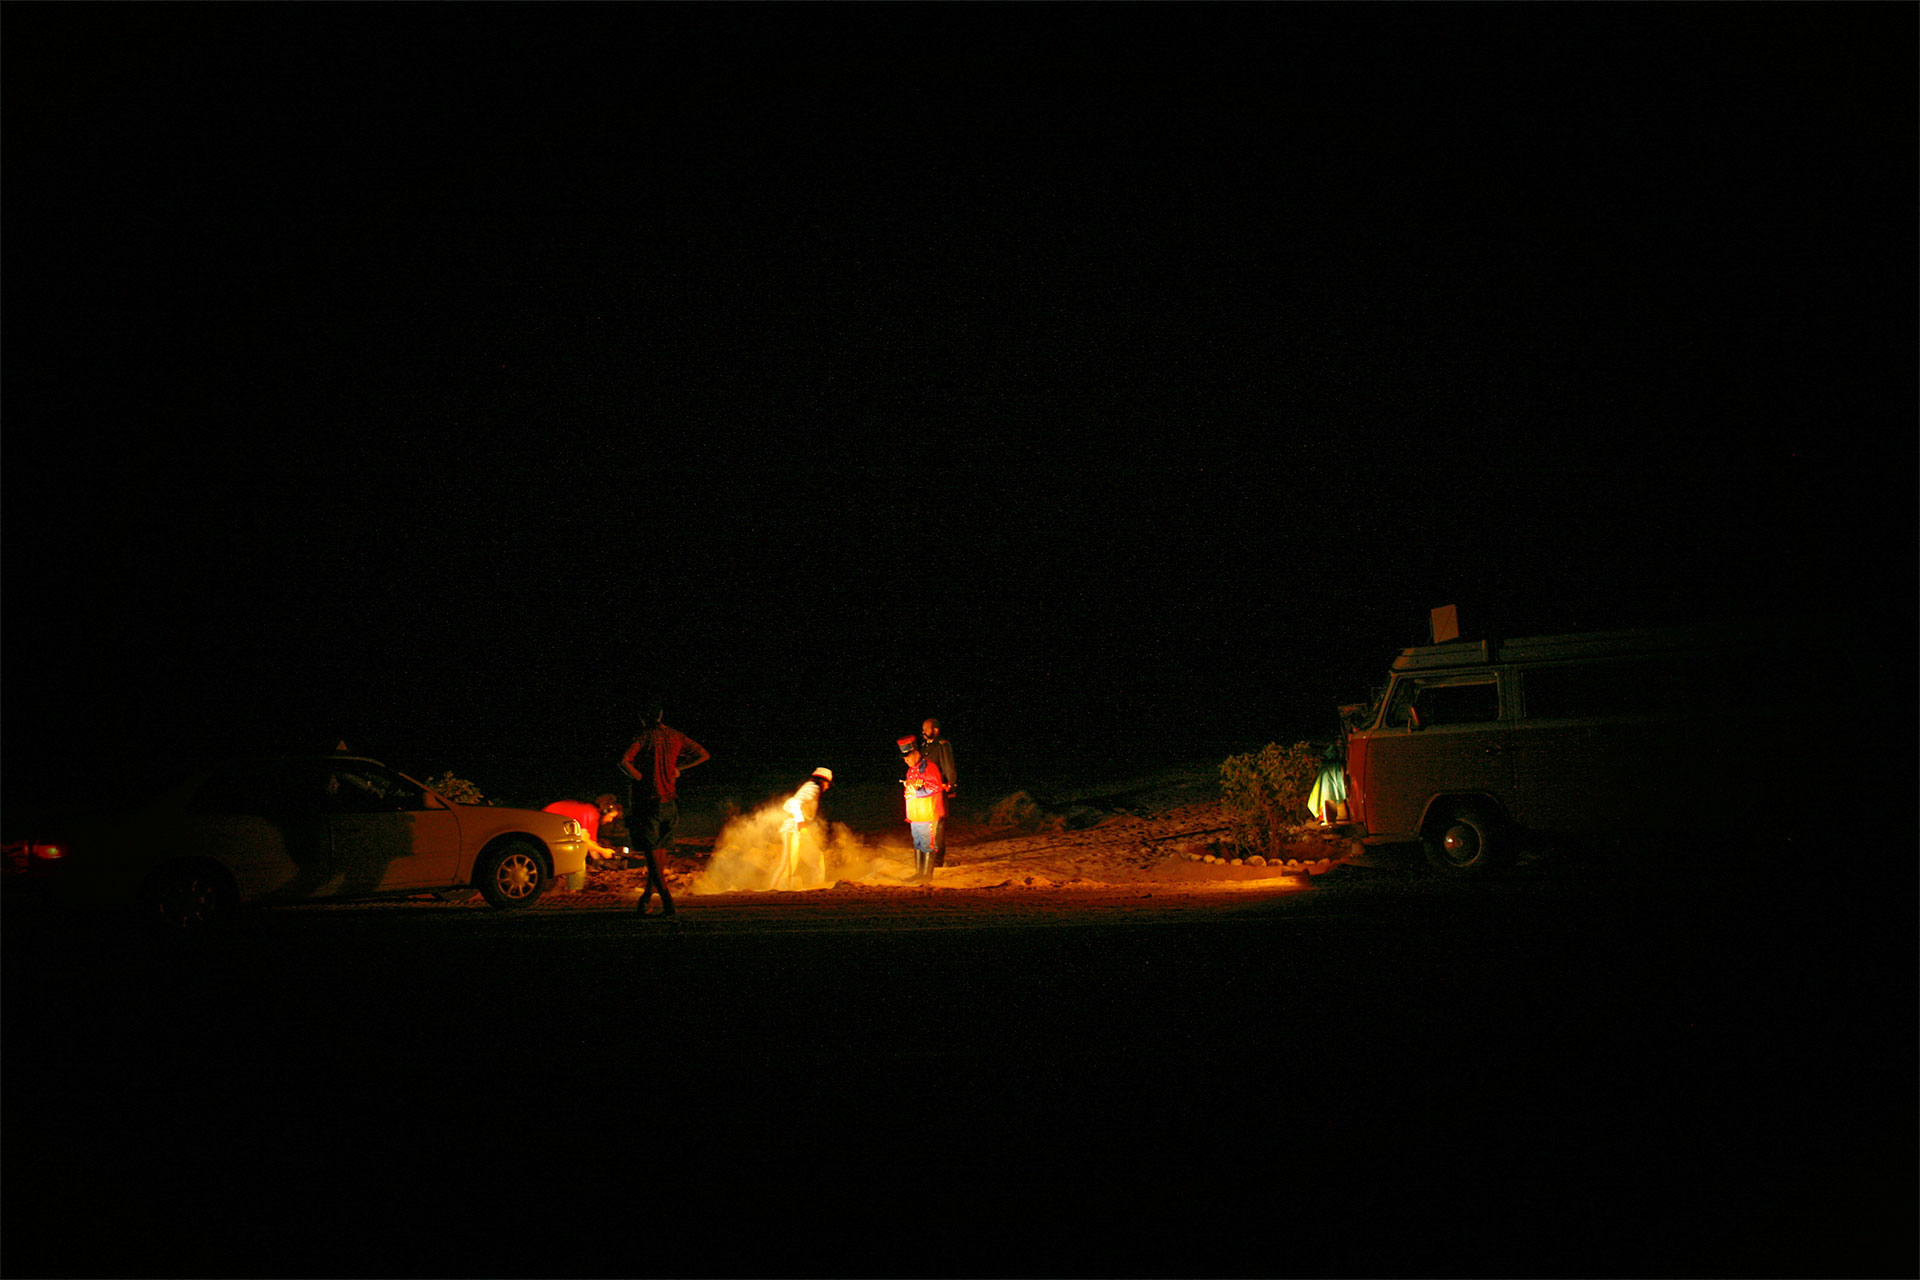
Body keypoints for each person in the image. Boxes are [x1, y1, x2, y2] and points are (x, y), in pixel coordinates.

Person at [619, 703, 710, 917]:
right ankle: (645, 902)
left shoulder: (643, 737)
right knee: (658, 857)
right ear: (661, 715)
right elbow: (703, 754)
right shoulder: (675, 736)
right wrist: (678, 769)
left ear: (643, 717)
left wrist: (640, 778)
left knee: (652, 856)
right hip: (670, 804)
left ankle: (668, 904)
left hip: (649, 802)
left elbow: (623, 762)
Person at [898, 736, 946, 884]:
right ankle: (919, 873)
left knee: (928, 844)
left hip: (928, 812)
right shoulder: (911, 771)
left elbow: (935, 787)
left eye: (907, 757)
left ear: (915, 753)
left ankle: (927, 875)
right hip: (915, 814)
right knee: (918, 843)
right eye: (904, 758)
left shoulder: (929, 767)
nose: (906, 760)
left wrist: (916, 793)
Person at [778, 767, 833, 889]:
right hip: (793, 827)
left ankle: (816, 888)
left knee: (816, 858)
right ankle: (776, 891)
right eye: (828, 783)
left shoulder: (813, 789)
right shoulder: (812, 787)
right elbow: (793, 803)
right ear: (822, 781)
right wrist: (800, 821)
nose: (828, 787)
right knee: (789, 863)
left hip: (800, 829)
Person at [540, 794, 628, 868]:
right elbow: (583, 841)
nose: (610, 820)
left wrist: (601, 861)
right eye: (611, 816)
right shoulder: (590, 813)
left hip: (555, 826)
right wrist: (603, 851)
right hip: (546, 822)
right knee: (576, 858)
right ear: (605, 811)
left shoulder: (595, 817)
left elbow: (592, 843)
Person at [918, 718, 958, 867]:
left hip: (938, 790)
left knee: (938, 826)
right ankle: (928, 855)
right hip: (924, 791)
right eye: (923, 729)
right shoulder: (923, 746)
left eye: (926, 729)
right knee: (926, 824)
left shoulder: (942, 746)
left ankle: (938, 860)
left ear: (935, 730)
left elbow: (948, 766)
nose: (923, 732)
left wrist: (952, 786)